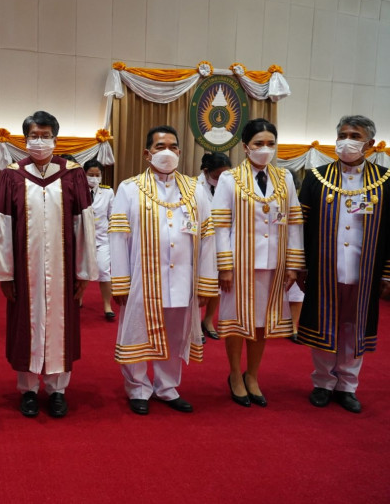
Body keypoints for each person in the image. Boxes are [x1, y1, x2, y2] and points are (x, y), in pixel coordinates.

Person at [0, 110, 97, 419]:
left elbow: (83, 225)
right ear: (25, 139)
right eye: (34, 135)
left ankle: (58, 390)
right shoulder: (12, 176)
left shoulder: (73, 174)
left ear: (55, 139)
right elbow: (2, 227)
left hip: (64, 270)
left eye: (45, 135)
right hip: (25, 271)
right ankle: (29, 390)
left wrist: (84, 271)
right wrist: (5, 274)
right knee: (26, 325)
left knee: (62, 326)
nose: (39, 141)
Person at [109, 125, 216, 415]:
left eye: (172, 146)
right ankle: (138, 388)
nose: (167, 152)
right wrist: (120, 281)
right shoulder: (129, 188)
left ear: (180, 152)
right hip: (142, 278)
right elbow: (118, 236)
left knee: (175, 334)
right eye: (160, 147)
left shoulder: (195, 190)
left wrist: (206, 282)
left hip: (182, 278)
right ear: (147, 153)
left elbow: (208, 236)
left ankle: (167, 388)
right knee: (137, 331)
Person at [298, 115, 390, 413]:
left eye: (354, 136)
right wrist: (300, 265)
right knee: (324, 325)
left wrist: (387, 274)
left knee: (353, 327)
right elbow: (301, 226)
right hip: (325, 268)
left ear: (370, 143)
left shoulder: (386, 180)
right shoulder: (317, 177)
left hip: (365, 271)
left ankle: (347, 386)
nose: (346, 141)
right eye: (342, 135)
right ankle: (323, 382)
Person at [212, 118, 304, 408]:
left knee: (262, 323)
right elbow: (220, 225)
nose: (265, 149)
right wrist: (225, 266)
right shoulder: (230, 179)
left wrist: (293, 264)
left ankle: (252, 375)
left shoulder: (284, 178)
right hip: (239, 264)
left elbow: (294, 222)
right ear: (245, 146)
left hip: (273, 263)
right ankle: (234, 374)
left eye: (270, 143)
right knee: (236, 321)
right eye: (259, 143)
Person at [197, 152, 232, 341]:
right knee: (198, 284)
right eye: (218, 176)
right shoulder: (194, 187)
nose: (222, 180)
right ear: (206, 171)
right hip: (200, 242)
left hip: (221, 241)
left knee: (218, 285)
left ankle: (208, 320)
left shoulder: (231, 186)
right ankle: (194, 323)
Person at [85, 159, 116, 321]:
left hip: (102, 239)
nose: (94, 178)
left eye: (97, 175)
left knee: (104, 270)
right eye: (91, 175)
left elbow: (112, 215)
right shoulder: (76, 190)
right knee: (80, 272)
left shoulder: (108, 192)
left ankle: (107, 305)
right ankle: (78, 298)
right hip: (82, 239)